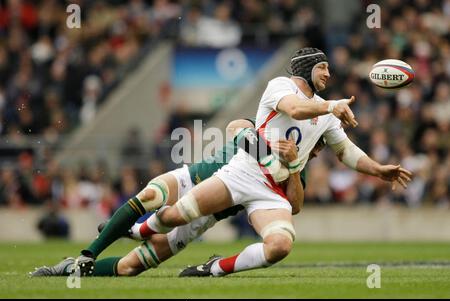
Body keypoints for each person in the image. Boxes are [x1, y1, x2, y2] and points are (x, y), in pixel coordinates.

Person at [122, 47, 412, 278]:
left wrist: (378, 170)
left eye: (328, 67)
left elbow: (346, 151)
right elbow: (290, 110)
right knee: (171, 217)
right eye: (322, 67)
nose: (328, 72)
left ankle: (215, 268)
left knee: (280, 246)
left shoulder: (323, 117)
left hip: (268, 192)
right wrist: (331, 105)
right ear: (306, 69)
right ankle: (133, 231)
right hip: (240, 173)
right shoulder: (282, 86)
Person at [30, 118, 305, 276]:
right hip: (191, 179)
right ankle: (88, 254)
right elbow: (235, 126)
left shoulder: (295, 167)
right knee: (150, 195)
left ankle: (74, 270)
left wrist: (292, 168)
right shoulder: (258, 131)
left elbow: (294, 206)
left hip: (203, 214)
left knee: (129, 268)